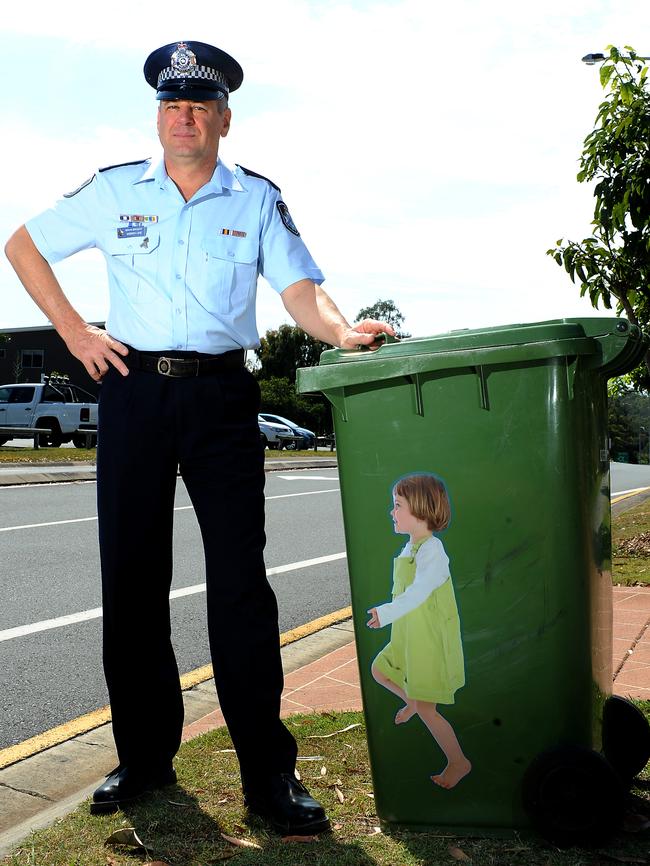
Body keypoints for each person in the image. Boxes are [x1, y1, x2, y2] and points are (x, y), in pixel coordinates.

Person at [5, 40, 394, 835]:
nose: (184, 116)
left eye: (199, 105)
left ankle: (267, 777)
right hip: (134, 391)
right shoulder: (113, 192)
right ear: (159, 116)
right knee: (134, 582)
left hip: (221, 395)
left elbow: (300, 291)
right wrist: (76, 333)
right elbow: (23, 245)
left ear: (223, 118)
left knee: (242, 585)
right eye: (171, 104)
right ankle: (144, 764)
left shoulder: (254, 199)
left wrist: (343, 331)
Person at [367, 473, 471, 789]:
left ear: (421, 510)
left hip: (427, 640)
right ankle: (411, 701)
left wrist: (384, 613)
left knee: (428, 710)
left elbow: (418, 592)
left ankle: (458, 761)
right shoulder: (409, 548)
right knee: (379, 671)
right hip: (408, 635)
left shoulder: (433, 552)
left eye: (397, 505)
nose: (392, 512)